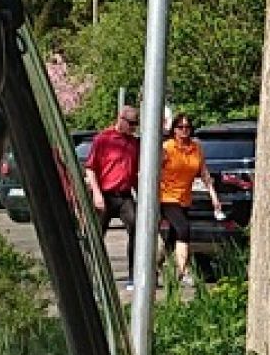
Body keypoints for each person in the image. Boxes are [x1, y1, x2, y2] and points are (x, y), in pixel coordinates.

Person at [81, 103, 142, 275]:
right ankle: (91, 272)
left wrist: (140, 195)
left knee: (137, 227)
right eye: (130, 124)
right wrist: (97, 194)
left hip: (124, 195)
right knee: (96, 234)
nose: (133, 128)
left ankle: (134, 273)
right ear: (120, 119)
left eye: (135, 125)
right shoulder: (103, 139)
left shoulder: (133, 143)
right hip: (105, 194)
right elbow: (90, 168)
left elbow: (135, 173)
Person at [155, 111, 210, 299]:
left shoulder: (196, 148)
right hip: (166, 197)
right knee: (183, 229)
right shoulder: (167, 147)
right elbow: (155, 171)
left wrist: (214, 197)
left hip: (184, 197)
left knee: (172, 238)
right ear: (174, 130)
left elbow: (204, 174)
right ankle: (184, 272)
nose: (184, 130)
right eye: (180, 127)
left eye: (187, 127)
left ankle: (153, 267)